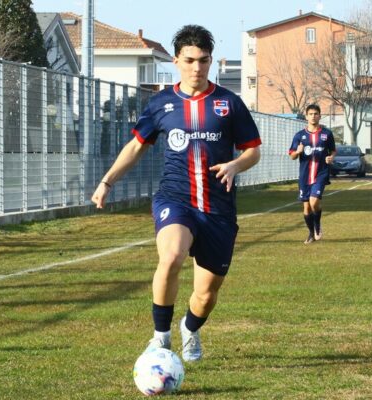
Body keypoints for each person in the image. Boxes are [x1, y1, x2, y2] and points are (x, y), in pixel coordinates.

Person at [91, 25, 261, 362]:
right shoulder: (161, 103)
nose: (197, 68)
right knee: (170, 257)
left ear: (211, 61)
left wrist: (234, 166)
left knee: (205, 295)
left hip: (218, 210)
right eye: (190, 60)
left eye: (204, 61)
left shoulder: (229, 103)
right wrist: (107, 181)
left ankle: (190, 328)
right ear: (176, 60)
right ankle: (160, 338)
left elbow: (253, 151)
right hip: (175, 200)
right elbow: (136, 147)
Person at [288, 104, 336, 244]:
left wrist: (331, 157)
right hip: (305, 175)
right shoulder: (299, 136)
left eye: (316, 113)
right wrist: (298, 151)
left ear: (320, 116)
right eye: (311, 114)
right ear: (306, 116)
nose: (313, 116)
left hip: (321, 173)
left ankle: (317, 226)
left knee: (314, 201)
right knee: (306, 207)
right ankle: (311, 233)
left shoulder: (326, 134)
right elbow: (292, 155)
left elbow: (333, 150)